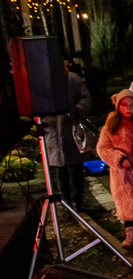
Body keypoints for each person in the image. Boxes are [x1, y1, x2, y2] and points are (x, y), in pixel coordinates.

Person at [97, 90, 133, 248]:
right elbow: (103, 148)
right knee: (126, 204)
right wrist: (120, 159)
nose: (129, 109)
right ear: (118, 106)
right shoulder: (111, 126)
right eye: (125, 105)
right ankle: (130, 233)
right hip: (121, 172)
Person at [44, 67, 92, 210]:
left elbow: (86, 98)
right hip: (53, 131)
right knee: (60, 169)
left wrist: (76, 111)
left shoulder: (72, 79)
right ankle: (65, 199)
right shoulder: (45, 81)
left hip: (70, 129)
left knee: (74, 166)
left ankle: (76, 198)